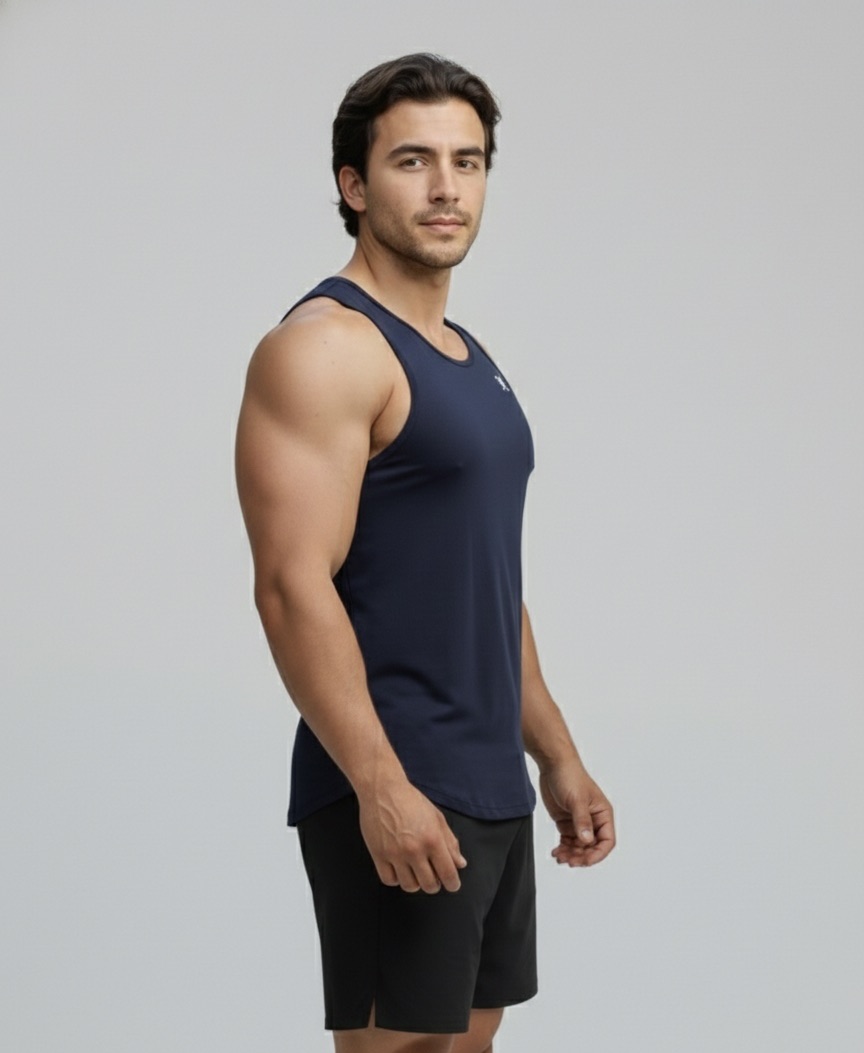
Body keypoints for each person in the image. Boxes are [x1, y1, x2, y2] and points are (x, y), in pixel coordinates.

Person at [235, 53, 615, 1053]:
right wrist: (381, 786)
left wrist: (557, 755)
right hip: (397, 773)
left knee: (469, 1044)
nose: (447, 187)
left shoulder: (468, 357)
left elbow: (485, 582)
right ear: (354, 186)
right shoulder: (325, 348)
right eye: (413, 160)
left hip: (488, 777)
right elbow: (290, 585)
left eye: (467, 161)